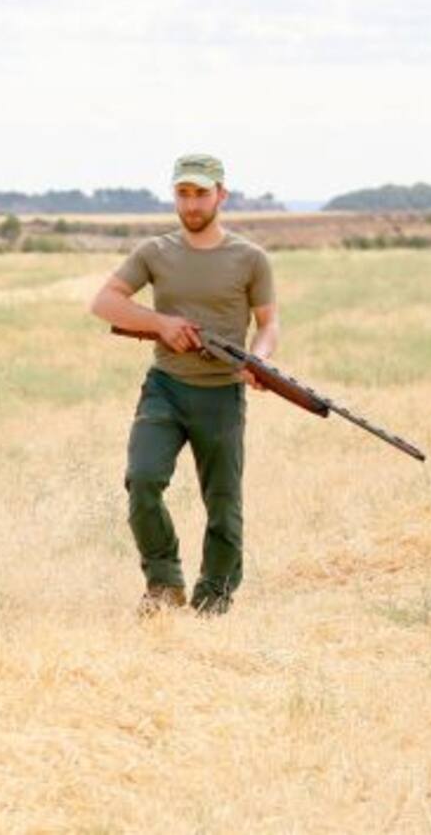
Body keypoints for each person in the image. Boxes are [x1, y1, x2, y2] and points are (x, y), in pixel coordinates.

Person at [89, 154, 278, 616]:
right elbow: (104, 302)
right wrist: (159, 324)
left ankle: (214, 599)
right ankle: (164, 583)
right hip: (167, 388)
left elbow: (268, 324)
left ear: (221, 195)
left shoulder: (251, 258)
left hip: (222, 394)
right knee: (144, 479)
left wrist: (261, 360)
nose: (191, 204)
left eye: (201, 193)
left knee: (224, 504)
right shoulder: (155, 252)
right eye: (183, 193)